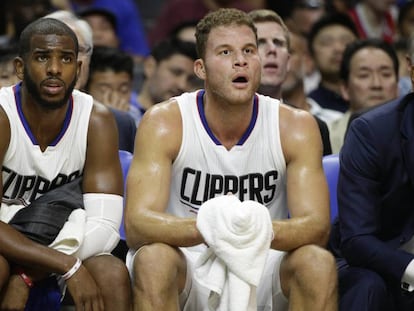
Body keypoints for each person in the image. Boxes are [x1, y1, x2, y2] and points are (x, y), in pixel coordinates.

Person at [125, 8, 337, 311]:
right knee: (153, 258)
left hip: (264, 260)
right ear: (200, 68)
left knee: (317, 262)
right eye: (225, 52)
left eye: (249, 50)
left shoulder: (296, 126)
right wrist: (217, 228)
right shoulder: (164, 122)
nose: (241, 60)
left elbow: (316, 226)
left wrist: (244, 232)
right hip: (189, 261)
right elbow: (138, 224)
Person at [0, 17, 131, 310]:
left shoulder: (96, 119)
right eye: (43, 57)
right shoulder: (3, 116)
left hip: (65, 238)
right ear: (20, 68)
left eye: (67, 59)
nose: (55, 69)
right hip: (7, 241)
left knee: (111, 274)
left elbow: (106, 225)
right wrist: (63, 263)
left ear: (80, 68)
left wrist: (28, 274)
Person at [328, 30, 414, 311]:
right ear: (412, 72)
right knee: (368, 285)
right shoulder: (371, 132)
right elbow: (358, 239)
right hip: (381, 261)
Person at [45, 10, 137, 153]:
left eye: (80, 50)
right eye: (55, 50)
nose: (70, 60)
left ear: (89, 59)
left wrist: (107, 126)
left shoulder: (120, 124)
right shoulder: (7, 113)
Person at [248, 9, 334, 156]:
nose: (272, 49)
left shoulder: (313, 127)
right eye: (260, 43)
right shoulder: (217, 123)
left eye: (278, 43)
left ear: (287, 61)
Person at [328, 38, 400, 154]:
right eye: (364, 75)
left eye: (386, 74)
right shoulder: (327, 136)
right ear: (345, 88)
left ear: (397, 86)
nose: (376, 84)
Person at [135, 37, 199, 121]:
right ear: (150, 66)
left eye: (190, 79)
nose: (182, 85)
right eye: (176, 72)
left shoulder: (189, 122)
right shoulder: (120, 112)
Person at [307, 13, 359, 113]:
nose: (338, 49)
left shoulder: (374, 98)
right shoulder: (310, 107)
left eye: (346, 42)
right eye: (326, 43)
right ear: (311, 55)